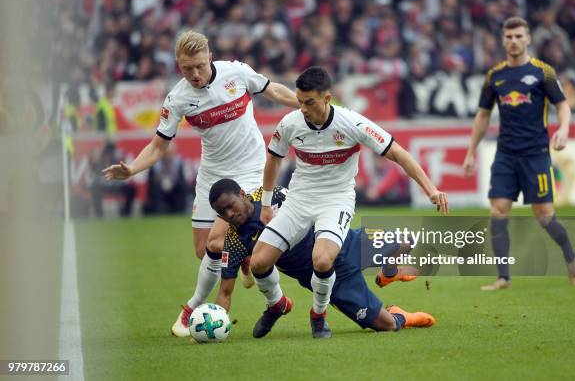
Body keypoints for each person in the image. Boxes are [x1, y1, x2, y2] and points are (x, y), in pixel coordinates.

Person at [101, 31, 300, 335]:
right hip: (212, 176)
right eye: (186, 69)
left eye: (199, 66)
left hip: (250, 171)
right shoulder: (178, 98)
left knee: (217, 240)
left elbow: (273, 91)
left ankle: (191, 309)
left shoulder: (237, 73)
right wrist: (133, 170)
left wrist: (303, 103)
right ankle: (261, 277)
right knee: (202, 249)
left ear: (210, 56)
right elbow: (158, 146)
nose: (194, 74)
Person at [249, 66, 448, 338]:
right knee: (258, 263)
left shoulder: (353, 123)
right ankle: (277, 305)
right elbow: (273, 158)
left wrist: (431, 189)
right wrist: (268, 203)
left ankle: (318, 315)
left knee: (321, 260)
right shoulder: (290, 123)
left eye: (310, 102)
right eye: (300, 101)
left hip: (335, 201)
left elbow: (399, 154)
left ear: (327, 98)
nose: (303, 108)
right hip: (299, 200)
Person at [209, 179, 433, 337]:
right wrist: (215, 325)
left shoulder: (274, 196)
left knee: (407, 240)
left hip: (343, 243)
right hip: (330, 280)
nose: (229, 214)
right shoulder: (235, 241)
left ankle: (389, 272)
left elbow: (311, 206)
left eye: (230, 206)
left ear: (241, 194)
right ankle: (402, 315)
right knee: (388, 326)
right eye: (222, 212)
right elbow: (225, 292)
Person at [462, 16, 575, 291]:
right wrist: (471, 151)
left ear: (528, 38)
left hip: (536, 154)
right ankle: (504, 277)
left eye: (519, 36)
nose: (514, 41)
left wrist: (564, 128)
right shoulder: (495, 76)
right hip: (505, 154)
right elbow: (483, 116)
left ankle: (570, 255)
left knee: (543, 215)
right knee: (498, 210)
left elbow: (562, 105)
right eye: (509, 37)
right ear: (503, 40)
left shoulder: (544, 72)